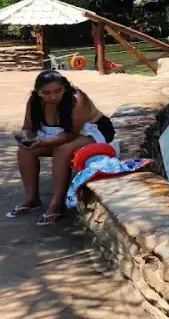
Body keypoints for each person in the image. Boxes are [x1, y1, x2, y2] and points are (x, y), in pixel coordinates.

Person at [8, 70, 116, 225]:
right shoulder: (34, 102)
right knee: (25, 151)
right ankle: (32, 198)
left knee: (63, 150)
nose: (52, 97)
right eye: (46, 93)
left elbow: (71, 134)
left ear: (65, 87)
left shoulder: (76, 99)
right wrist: (26, 139)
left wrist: (44, 143)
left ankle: (57, 203)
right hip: (58, 134)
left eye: (57, 91)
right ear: (38, 92)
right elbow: (27, 127)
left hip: (90, 131)